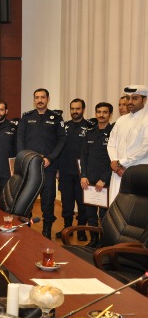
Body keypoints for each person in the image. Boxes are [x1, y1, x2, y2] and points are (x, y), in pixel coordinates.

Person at [17, 88, 66, 239]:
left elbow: (61, 140)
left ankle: (46, 230)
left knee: (48, 200)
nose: (39, 100)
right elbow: (20, 138)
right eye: (37, 97)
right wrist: (24, 158)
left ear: (48, 99)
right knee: (27, 198)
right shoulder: (26, 117)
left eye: (42, 97)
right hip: (30, 166)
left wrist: (50, 158)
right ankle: (26, 229)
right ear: (34, 100)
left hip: (48, 166)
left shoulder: (56, 118)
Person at [56, 99, 94, 240]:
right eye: (72, 109)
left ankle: (81, 231)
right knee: (67, 203)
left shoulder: (90, 127)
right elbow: (58, 148)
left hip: (82, 174)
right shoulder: (64, 127)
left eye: (77, 108)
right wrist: (58, 169)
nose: (75, 111)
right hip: (65, 171)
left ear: (83, 109)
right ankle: (67, 229)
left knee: (82, 204)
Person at [80, 102, 114, 248]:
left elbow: (114, 160)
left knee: (104, 215)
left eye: (105, 112)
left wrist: (104, 179)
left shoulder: (113, 133)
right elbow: (84, 156)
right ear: (95, 113)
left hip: (105, 182)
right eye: (99, 112)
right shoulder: (90, 132)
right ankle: (94, 240)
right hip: (89, 181)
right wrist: (83, 175)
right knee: (90, 213)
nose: (101, 115)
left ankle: (103, 242)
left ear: (110, 114)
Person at [107, 85, 148, 202]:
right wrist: (115, 163)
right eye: (127, 98)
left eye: (135, 98)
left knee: (135, 207)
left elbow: (144, 148)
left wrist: (121, 162)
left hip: (138, 173)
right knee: (115, 205)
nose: (129, 102)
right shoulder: (121, 120)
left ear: (144, 99)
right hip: (118, 173)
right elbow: (111, 144)